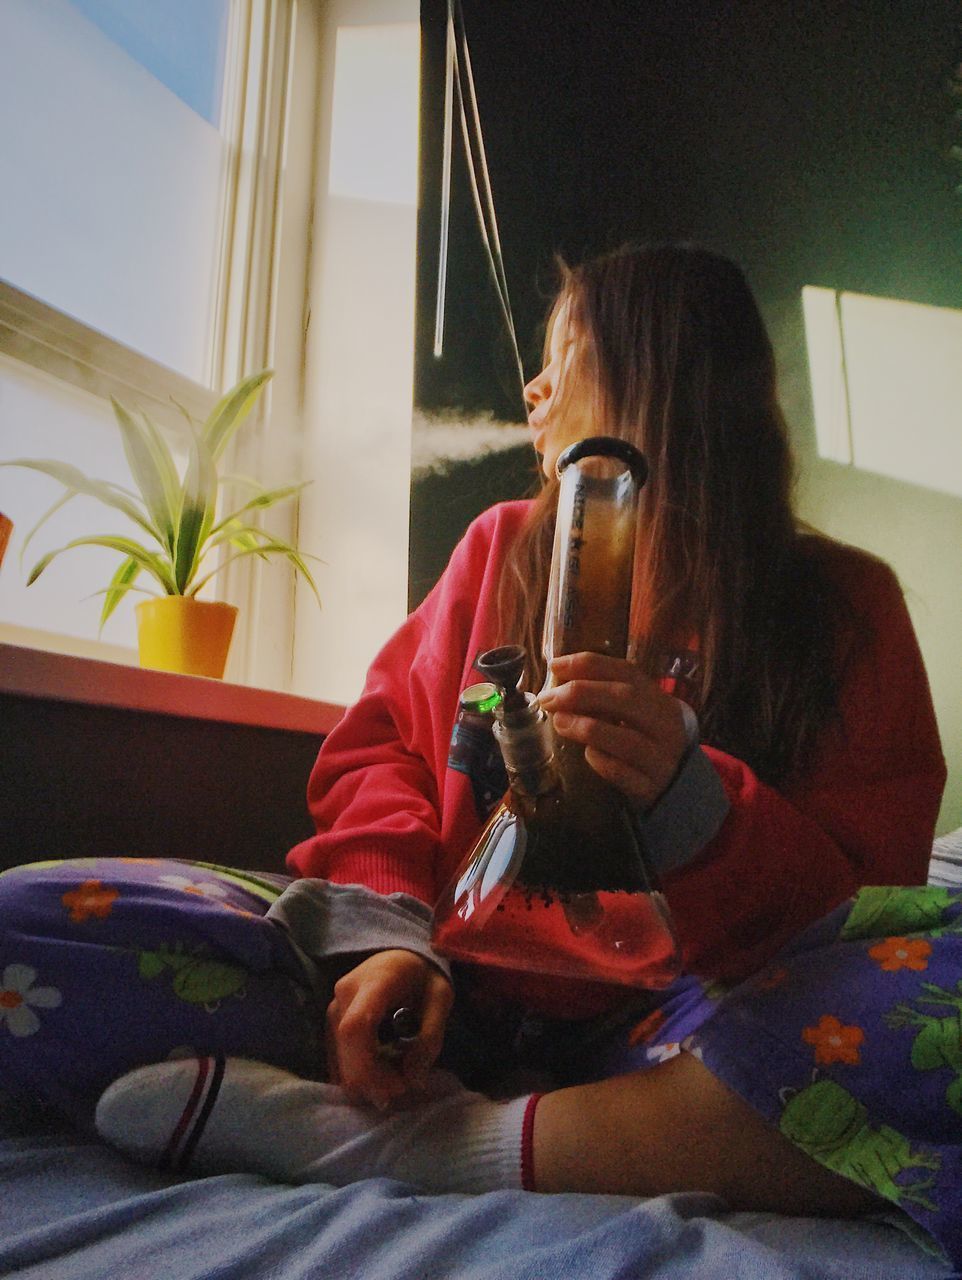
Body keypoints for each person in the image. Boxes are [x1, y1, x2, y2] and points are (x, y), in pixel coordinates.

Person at [6, 245, 956, 1259]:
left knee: (927, 1007)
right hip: (432, 1000)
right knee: (30, 925)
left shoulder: (842, 607)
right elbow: (379, 754)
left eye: (566, 352)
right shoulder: (499, 547)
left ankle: (449, 1144)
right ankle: (418, 1094)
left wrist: (697, 805)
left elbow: (859, 911)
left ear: (660, 370)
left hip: (679, 1042)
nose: (531, 388)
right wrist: (383, 943)